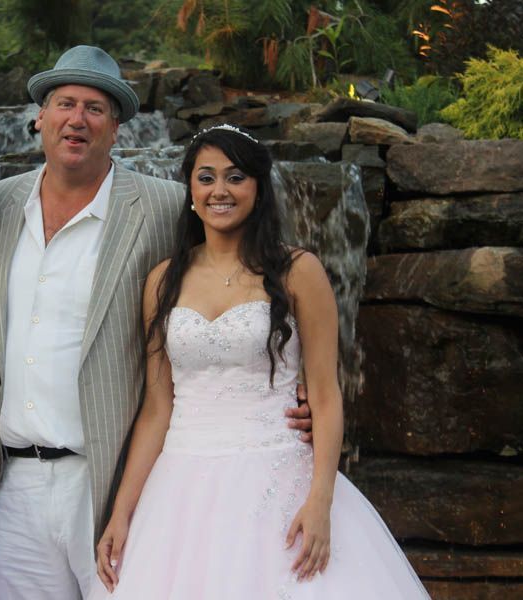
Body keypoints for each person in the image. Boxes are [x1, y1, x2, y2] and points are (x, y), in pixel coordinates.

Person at [0, 47, 313, 599]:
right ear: (40, 116)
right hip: (11, 487)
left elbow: (249, 274)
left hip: (113, 478)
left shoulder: (166, 205)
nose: (77, 119)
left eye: (96, 108)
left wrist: (289, 390)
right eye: (65, 104)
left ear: (118, 126)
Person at [88, 125, 431, 599]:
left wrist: (321, 501)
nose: (220, 191)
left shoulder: (298, 270)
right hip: (180, 487)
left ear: (258, 188)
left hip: (277, 474)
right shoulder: (163, 281)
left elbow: (327, 396)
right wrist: (122, 513)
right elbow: (156, 407)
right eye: (206, 178)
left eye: (235, 177)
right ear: (190, 190)